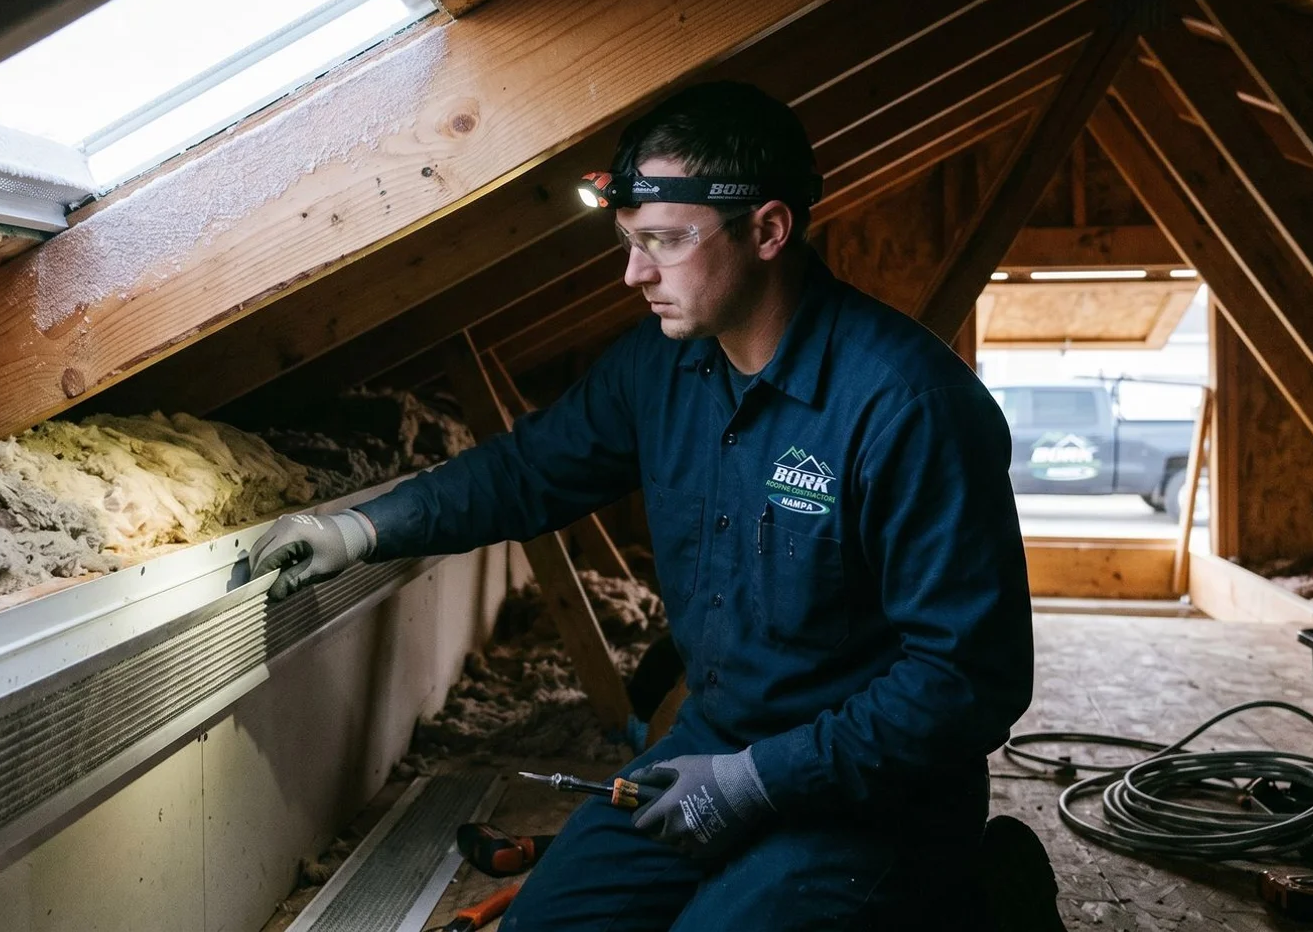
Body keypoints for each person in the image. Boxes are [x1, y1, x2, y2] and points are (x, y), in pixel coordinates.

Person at [250, 81, 1054, 930]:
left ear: (769, 230)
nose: (634, 273)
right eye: (630, 241)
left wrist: (758, 781)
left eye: (663, 242)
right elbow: (528, 471)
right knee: (548, 923)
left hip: (871, 798)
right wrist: (359, 529)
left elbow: (969, 680)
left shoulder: (908, 406)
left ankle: (977, 900)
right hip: (711, 747)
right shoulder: (664, 367)